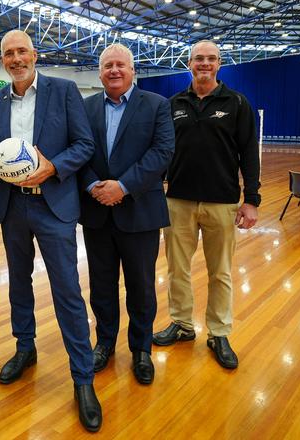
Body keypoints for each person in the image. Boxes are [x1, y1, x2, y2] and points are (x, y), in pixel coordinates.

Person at [0, 30, 101, 433]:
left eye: (21, 51)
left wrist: (52, 167)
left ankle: (82, 378)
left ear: (35, 54)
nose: (16, 59)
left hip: (53, 205)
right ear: (3, 61)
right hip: (13, 206)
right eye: (8, 54)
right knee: (19, 283)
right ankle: (25, 348)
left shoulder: (65, 91)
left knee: (67, 289)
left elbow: (84, 145)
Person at [153, 40, 261, 369]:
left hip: (222, 202)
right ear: (189, 63)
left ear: (219, 64)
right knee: (177, 270)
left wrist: (251, 200)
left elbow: (249, 155)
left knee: (221, 272)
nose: (204, 63)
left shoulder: (237, 103)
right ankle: (183, 325)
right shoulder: (173, 104)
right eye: (199, 58)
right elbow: (162, 153)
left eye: (211, 59)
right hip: (179, 202)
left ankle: (218, 332)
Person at [79, 44, 175, 385]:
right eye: (107, 66)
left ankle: (141, 349)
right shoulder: (85, 106)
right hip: (96, 212)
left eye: (121, 65)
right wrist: (93, 187)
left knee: (141, 286)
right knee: (101, 285)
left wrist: (122, 186)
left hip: (140, 211)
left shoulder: (157, 105)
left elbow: (162, 153)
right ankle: (104, 343)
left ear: (132, 70)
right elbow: (78, 151)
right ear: (100, 71)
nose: (114, 70)